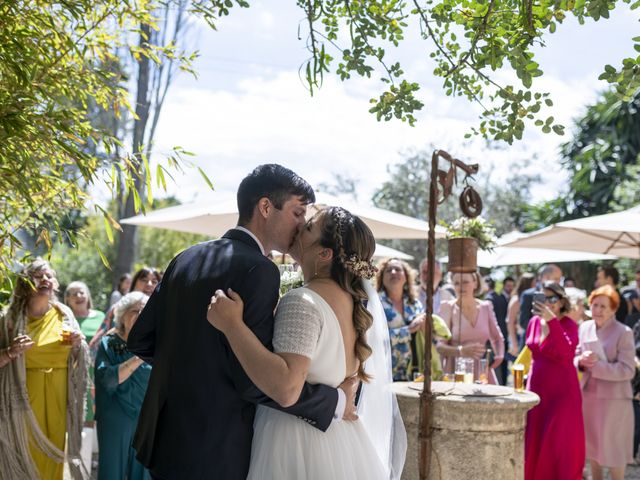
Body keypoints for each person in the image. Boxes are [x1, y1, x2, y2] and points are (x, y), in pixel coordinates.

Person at [127, 165, 359, 479]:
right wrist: (333, 402)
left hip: (165, 439)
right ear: (265, 207)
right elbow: (254, 381)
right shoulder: (260, 271)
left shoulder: (185, 257)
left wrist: (193, 369)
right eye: (297, 212)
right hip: (218, 445)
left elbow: (141, 339)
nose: (302, 223)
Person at [208, 206, 406, 479]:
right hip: (339, 440)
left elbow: (286, 388)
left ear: (324, 254)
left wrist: (232, 326)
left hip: (295, 441)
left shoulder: (303, 300)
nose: (300, 228)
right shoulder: (352, 304)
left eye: (310, 227)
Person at [0, 259, 88, 479]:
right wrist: (11, 351)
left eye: (50, 276)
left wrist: (78, 345)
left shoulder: (64, 314)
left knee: (53, 460)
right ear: (26, 282)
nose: (46, 280)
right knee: (24, 454)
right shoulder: (9, 319)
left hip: (58, 398)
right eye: (39, 276)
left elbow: (78, 358)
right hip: (23, 399)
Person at [524, 281, 584, 480]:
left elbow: (566, 352)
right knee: (535, 438)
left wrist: (552, 322)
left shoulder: (569, 325)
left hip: (562, 393)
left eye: (553, 298)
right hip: (537, 389)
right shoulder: (533, 322)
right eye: (544, 297)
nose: (548, 302)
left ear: (561, 302)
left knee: (559, 443)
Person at [576, 285, 635, 480]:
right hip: (589, 396)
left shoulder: (624, 332)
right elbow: (575, 356)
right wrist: (580, 361)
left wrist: (596, 366)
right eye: (594, 305)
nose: (598, 310)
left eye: (603, 306)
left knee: (614, 448)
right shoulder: (584, 327)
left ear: (614, 309)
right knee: (592, 447)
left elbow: (628, 370)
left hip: (615, 400)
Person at [95, 292, 152, 480]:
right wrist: (138, 358)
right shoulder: (109, 344)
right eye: (135, 311)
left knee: (143, 474)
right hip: (115, 420)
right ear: (122, 315)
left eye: (145, 311)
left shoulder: (156, 344)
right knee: (112, 472)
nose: (141, 315)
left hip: (146, 421)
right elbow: (107, 379)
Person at [437, 271, 504, 384]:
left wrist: (499, 357)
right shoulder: (447, 307)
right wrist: (461, 351)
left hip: (482, 372)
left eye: (465, 282)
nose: (461, 287)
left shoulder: (486, 307)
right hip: (457, 371)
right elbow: (439, 347)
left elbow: (497, 338)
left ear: (475, 283)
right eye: (457, 283)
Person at [375, 258, 425, 381]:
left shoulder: (415, 304)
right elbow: (374, 338)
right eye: (388, 270)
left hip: (414, 373)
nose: (393, 272)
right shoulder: (375, 304)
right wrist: (408, 330)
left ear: (406, 277)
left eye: (398, 269)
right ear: (381, 278)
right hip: (384, 374)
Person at [519, 264, 563, 346]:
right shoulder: (528, 295)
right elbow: (523, 321)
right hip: (531, 343)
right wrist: (543, 328)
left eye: (560, 279)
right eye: (557, 279)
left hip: (553, 344)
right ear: (546, 277)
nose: (559, 282)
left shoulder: (560, 295)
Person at [485, 276, 510, 385]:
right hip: (504, 334)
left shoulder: (488, 300)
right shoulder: (501, 297)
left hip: (493, 339)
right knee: (503, 367)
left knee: (494, 368)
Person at [507, 272, 535, 357]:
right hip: (519, 337)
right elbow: (510, 322)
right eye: (534, 282)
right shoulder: (516, 300)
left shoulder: (530, 298)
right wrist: (514, 344)